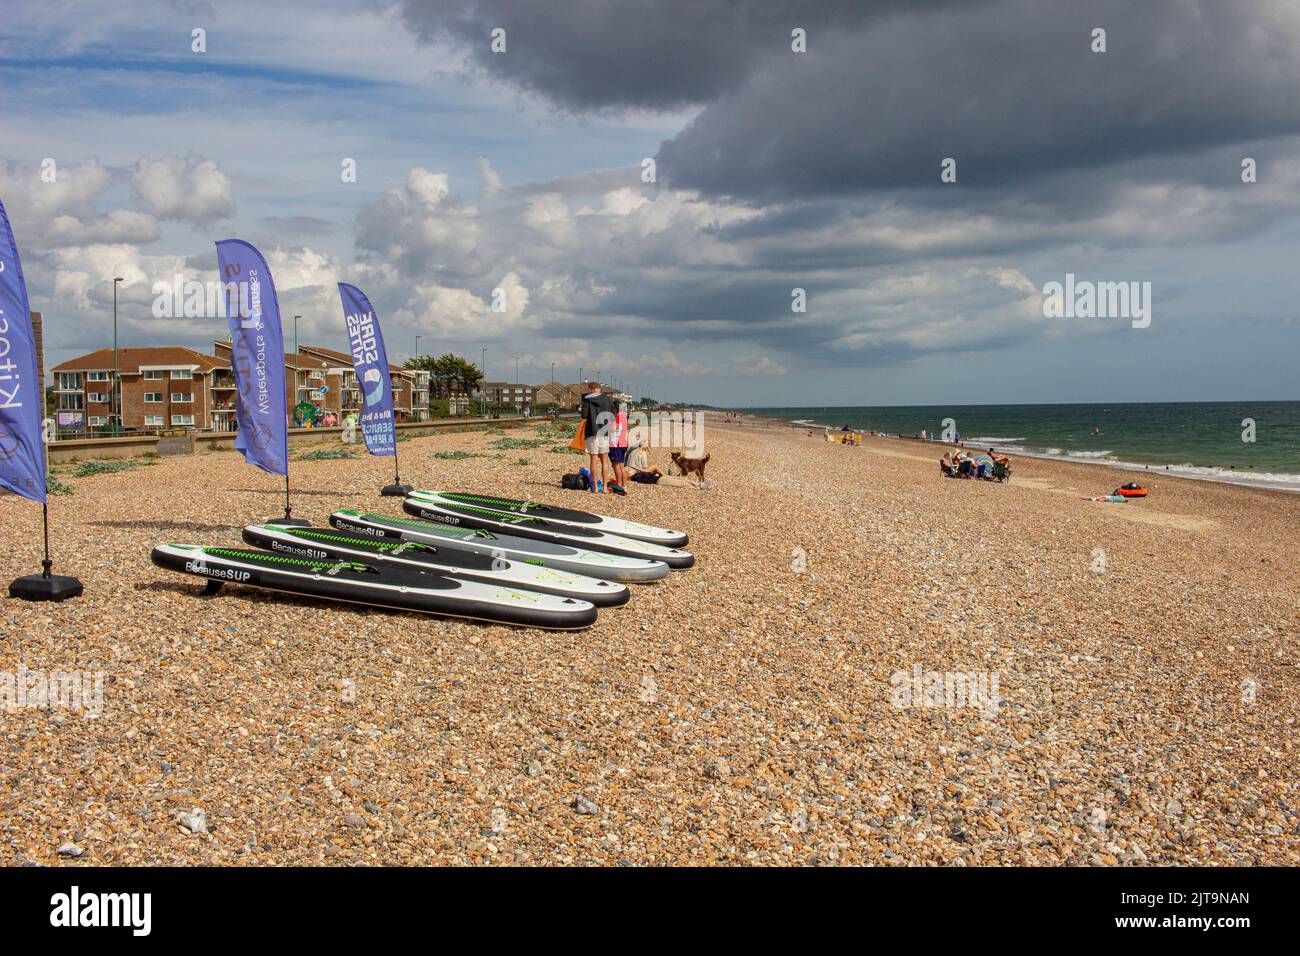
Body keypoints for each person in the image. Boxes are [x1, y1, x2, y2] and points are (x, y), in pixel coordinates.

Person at [580, 381, 615, 493]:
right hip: (604, 432)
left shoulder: (587, 399)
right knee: (605, 460)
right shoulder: (608, 399)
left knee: (593, 460)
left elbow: (584, 415)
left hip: (592, 432)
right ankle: (605, 487)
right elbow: (613, 414)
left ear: (590, 389)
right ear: (599, 389)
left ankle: (595, 487)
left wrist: (584, 404)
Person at [608, 399, 630, 493]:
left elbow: (613, 428)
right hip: (623, 442)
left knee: (616, 465)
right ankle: (624, 485)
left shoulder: (616, 416)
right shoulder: (623, 416)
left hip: (616, 444)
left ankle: (619, 485)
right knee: (621, 466)